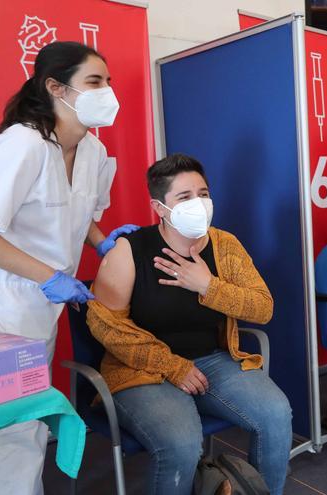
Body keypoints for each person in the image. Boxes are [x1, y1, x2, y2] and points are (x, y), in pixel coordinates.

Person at [0, 41, 135, 494]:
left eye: (108, 82)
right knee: (0, 435)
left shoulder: (90, 150)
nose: (107, 91)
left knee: (30, 419)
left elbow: (79, 208)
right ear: (55, 87)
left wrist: (101, 241)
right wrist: (47, 276)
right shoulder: (22, 145)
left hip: (38, 311)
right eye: (94, 82)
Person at [87, 154, 293, 494]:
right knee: (182, 443)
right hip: (142, 371)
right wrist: (171, 365)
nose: (199, 203)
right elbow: (105, 326)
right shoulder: (129, 251)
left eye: (203, 193)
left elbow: (263, 308)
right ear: (159, 207)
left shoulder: (224, 245)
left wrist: (208, 286)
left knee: (276, 415)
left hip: (212, 360)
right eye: (185, 197)